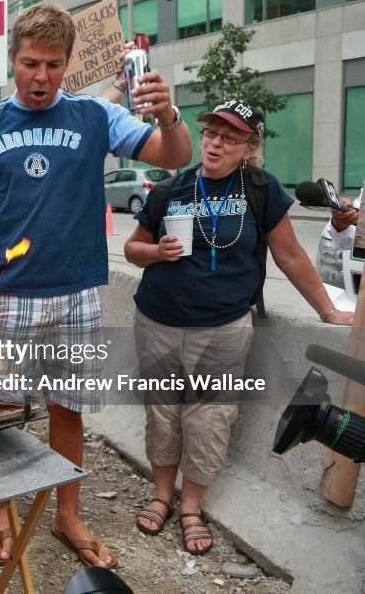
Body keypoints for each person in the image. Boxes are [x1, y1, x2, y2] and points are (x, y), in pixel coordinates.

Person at [0, 3, 193, 569]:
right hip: (5, 295)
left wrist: (170, 117)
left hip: (75, 291)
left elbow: (175, 156)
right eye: (29, 64)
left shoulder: (97, 116)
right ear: (12, 64)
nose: (40, 77)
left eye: (51, 65)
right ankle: (0, 512)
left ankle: (68, 515)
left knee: (68, 409)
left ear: (67, 63)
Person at [124, 99, 353, 555]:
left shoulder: (262, 190)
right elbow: (132, 249)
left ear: (250, 147)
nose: (215, 143)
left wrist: (328, 311)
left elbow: (289, 255)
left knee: (210, 418)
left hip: (224, 328)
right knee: (163, 412)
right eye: (211, 133)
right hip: (157, 321)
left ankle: (191, 506)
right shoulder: (171, 189)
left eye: (229, 137)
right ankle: (161, 495)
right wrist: (157, 253)